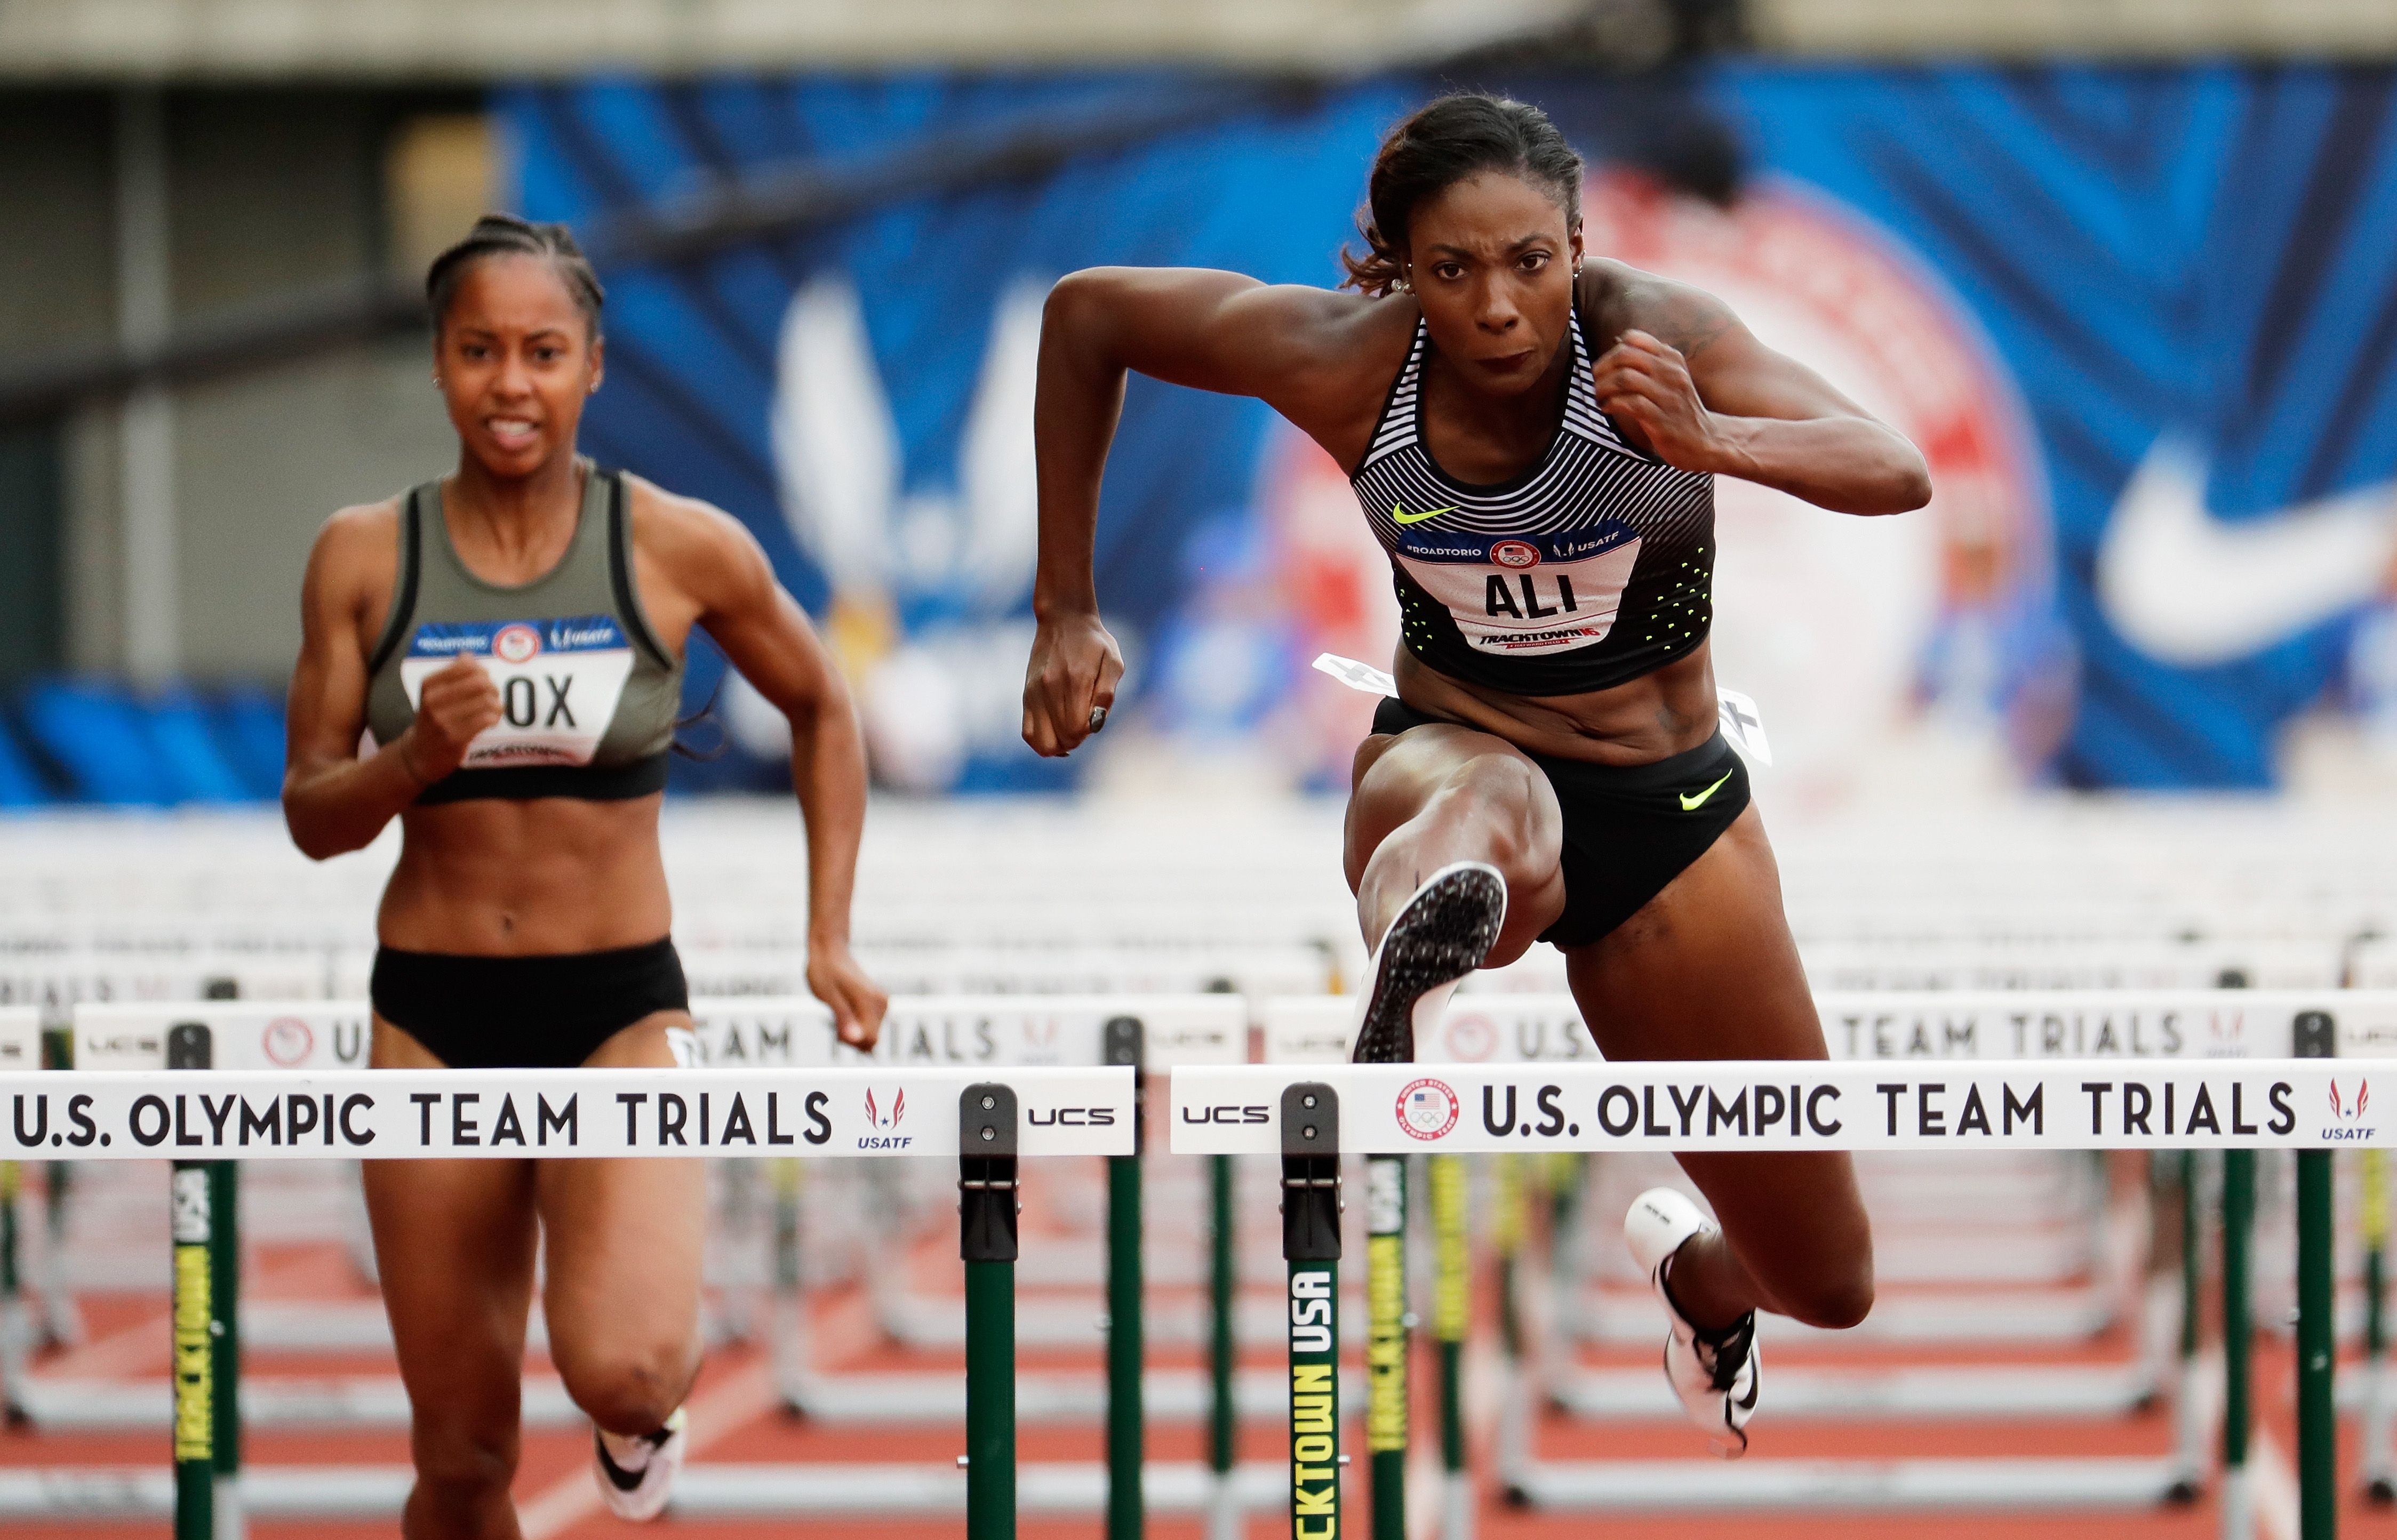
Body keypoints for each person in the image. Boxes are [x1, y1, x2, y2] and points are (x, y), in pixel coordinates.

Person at [1021, 95, 1930, 1455]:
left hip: (1670, 811)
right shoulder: (1344, 361)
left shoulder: (1658, 339)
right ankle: (1423, 941)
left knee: (1830, 1280)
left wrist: (1715, 443)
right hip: (1448, 751)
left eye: (1530, 264)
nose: (1498, 307)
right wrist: (1066, 609)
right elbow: (1088, 315)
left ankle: (1698, 1277)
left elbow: (1898, 466)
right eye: (1452, 272)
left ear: (1578, 243)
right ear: (1398, 267)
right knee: (1495, 807)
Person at [283, 214, 886, 1533]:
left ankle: (637, 1417)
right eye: (480, 350)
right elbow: (312, 815)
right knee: (459, 1458)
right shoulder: (365, 559)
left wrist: (829, 933)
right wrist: (412, 760)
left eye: (543, 351)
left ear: (593, 368)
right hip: (432, 1014)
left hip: (618, 1006)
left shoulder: (675, 546)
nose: (512, 383)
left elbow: (824, 705)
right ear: (440, 365)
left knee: (624, 1364)